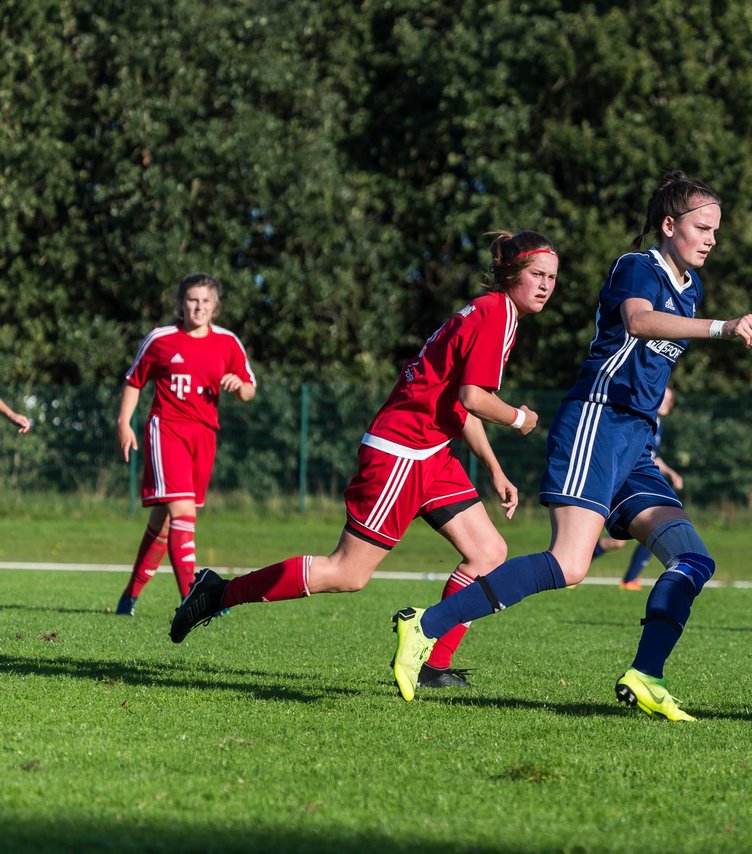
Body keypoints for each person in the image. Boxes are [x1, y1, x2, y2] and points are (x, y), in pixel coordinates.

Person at [389, 171, 752, 720]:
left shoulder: (692, 288)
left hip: (635, 439)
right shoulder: (636, 267)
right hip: (597, 421)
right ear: (668, 225)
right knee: (569, 565)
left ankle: (646, 675)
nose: (711, 238)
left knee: (692, 559)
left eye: (716, 230)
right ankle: (426, 625)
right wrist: (722, 327)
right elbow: (637, 322)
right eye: (701, 227)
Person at [169, 232, 556, 692]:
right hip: (401, 454)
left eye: (552, 277)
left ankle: (431, 664)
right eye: (537, 274)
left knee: (488, 553)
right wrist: (520, 419)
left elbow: (460, 402)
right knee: (348, 573)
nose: (546, 285)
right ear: (512, 273)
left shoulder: (491, 311)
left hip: (430, 452)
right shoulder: (496, 315)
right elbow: (476, 397)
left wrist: (493, 467)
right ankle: (217, 593)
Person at [114, 273, 256, 616]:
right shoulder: (161, 339)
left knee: (163, 523)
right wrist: (124, 422)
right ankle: (194, 598)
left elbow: (250, 389)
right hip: (167, 431)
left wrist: (239, 386)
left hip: (204, 435)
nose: (199, 307)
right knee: (183, 513)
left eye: (206, 301)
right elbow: (135, 380)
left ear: (216, 306)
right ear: (181, 303)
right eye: (193, 300)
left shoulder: (228, 342)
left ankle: (128, 598)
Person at [592, 386, 685, 589]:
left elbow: (652, 456)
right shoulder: (640, 419)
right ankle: (571, 566)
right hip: (624, 482)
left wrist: (671, 472)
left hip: (633, 483)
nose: (664, 401)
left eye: (668, 399)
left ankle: (629, 579)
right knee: (629, 536)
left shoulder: (656, 424)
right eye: (662, 397)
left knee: (655, 527)